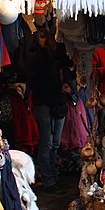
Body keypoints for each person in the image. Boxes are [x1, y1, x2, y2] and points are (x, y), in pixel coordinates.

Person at [24, 28, 73, 193]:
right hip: (44, 103)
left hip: (57, 103)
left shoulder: (59, 56)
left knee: (54, 143)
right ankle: (49, 181)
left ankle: (53, 177)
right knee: (48, 143)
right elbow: (37, 83)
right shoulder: (38, 58)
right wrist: (60, 87)